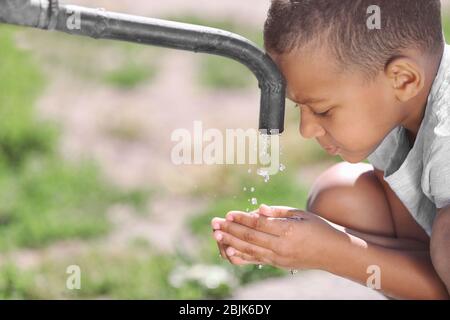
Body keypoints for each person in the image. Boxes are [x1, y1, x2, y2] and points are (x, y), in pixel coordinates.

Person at [211, 0, 450, 299]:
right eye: (301, 108)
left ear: (403, 79)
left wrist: (331, 251)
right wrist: (296, 242)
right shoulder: (396, 114)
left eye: (322, 110)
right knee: (340, 196)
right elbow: (427, 267)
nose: (306, 130)